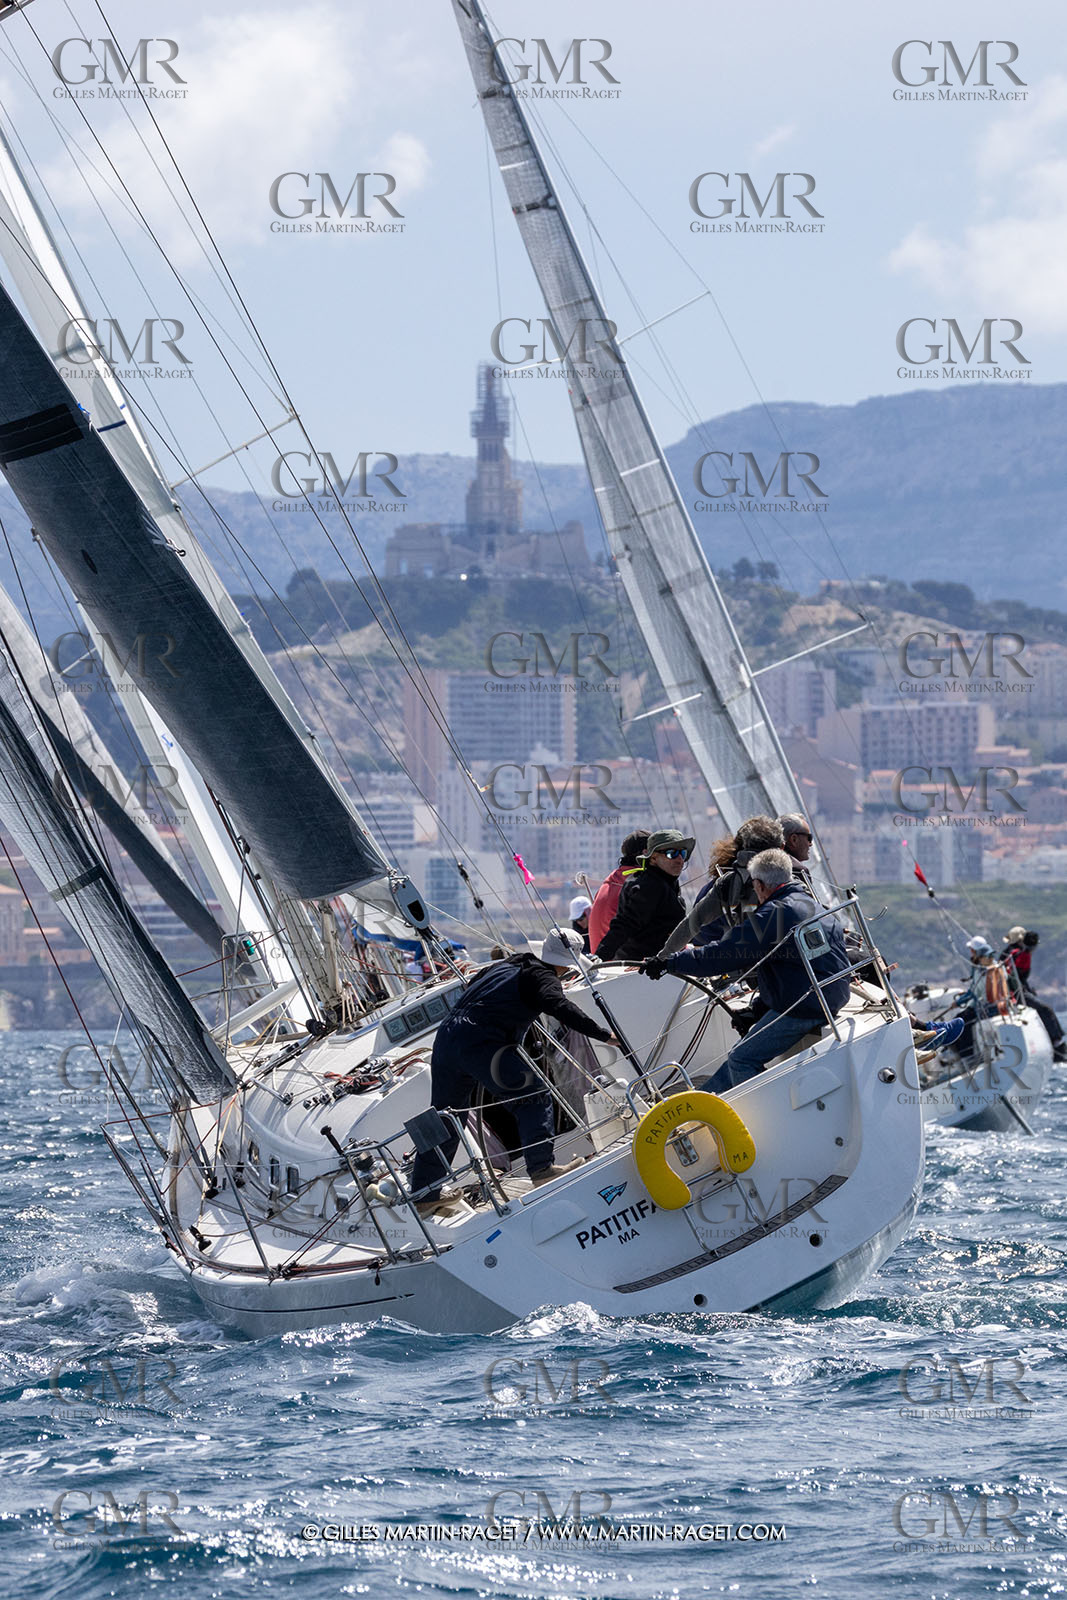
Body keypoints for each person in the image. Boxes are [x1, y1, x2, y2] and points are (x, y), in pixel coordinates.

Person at [408, 928, 615, 1216]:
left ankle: (423, 1193)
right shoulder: (544, 977)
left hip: (447, 1037)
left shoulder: (509, 964)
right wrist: (603, 1034)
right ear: (566, 964)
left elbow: (473, 984)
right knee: (534, 1095)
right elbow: (559, 1006)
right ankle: (542, 1168)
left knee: (447, 1115)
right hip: (482, 1040)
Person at [642, 847, 851, 1093]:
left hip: (807, 1005)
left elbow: (722, 955)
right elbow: (795, 967)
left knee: (742, 1058)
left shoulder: (774, 914)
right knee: (740, 1052)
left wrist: (670, 962)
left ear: (760, 885)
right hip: (833, 994)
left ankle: (770, 1114)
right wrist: (760, 1007)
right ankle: (703, 1100)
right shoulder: (812, 905)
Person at [658, 815, 784, 957]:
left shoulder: (727, 883)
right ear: (782, 848)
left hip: (740, 966)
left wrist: (662, 958)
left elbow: (691, 924)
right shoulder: (795, 885)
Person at [594, 829, 692, 962]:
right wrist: (599, 958)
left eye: (682, 853)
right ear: (653, 858)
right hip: (644, 968)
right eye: (671, 853)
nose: (680, 859)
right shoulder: (650, 886)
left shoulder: (664, 882)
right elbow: (625, 924)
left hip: (661, 963)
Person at [1003, 928, 1067, 1060]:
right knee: (1046, 1010)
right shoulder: (1022, 955)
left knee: (1041, 1009)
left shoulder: (1008, 953)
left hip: (1014, 992)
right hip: (1016, 994)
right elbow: (1017, 977)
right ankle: (1058, 1046)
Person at [588, 830, 650, 953]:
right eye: (663, 853)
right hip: (626, 967)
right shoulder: (641, 884)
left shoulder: (610, 881)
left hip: (602, 966)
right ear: (646, 853)